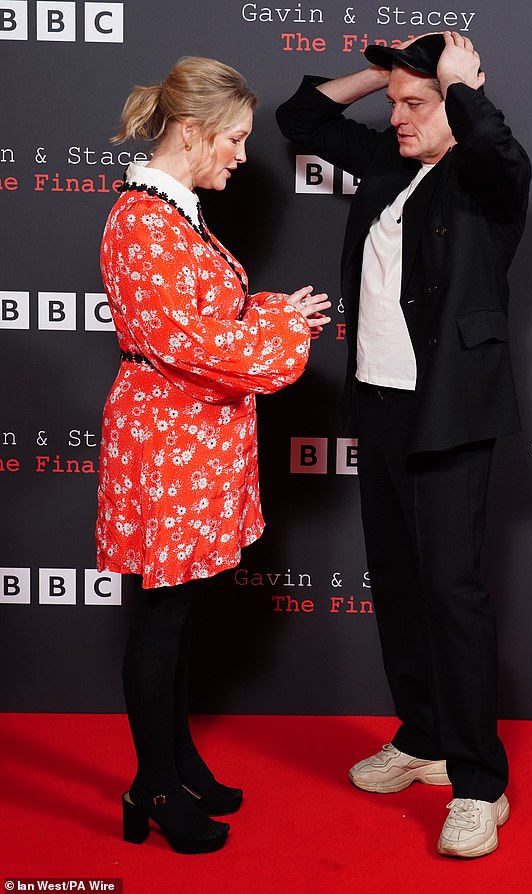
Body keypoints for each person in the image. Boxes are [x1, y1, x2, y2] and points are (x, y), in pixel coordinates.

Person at [277, 31, 530, 858]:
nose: (397, 116)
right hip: (380, 409)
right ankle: (421, 737)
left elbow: (497, 147)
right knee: (396, 583)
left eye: (414, 105)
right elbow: (301, 117)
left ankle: (479, 784)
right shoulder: (389, 163)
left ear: (456, 104)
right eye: (394, 102)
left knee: (451, 593)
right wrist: (387, 74)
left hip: (450, 413)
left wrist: (456, 88)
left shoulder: (485, 179)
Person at [96, 55, 330, 855]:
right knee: (162, 617)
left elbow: (211, 315)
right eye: (232, 140)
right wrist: (284, 336)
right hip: (169, 443)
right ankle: (152, 786)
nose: (240, 154)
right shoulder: (143, 220)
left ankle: (180, 760)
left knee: (183, 610)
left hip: (196, 441)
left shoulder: (176, 212)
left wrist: (269, 311)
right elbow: (193, 346)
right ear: (190, 133)